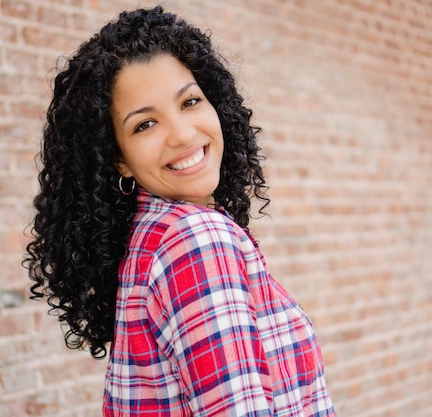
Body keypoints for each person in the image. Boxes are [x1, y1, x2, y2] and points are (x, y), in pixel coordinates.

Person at [24, 6, 337, 416]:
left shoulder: (151, 237)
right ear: (117, 158)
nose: (183, 134)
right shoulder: (193, 239)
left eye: (189, 101)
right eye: (144, 125)